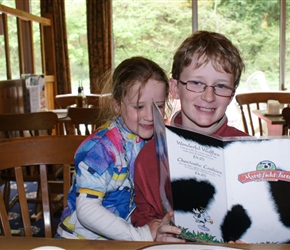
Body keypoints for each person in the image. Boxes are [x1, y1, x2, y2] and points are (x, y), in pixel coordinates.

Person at [131, 31, 249, 232]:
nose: (209, 96)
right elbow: (142, 216)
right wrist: (154, 229)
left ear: (231, 95)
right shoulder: (150, 155)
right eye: (196, 83)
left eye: (221, 86)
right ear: (175, 88)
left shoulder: (247, 150)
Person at [56, 56, 183, 241]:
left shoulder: (154, 140)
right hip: (80, 242)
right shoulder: (100, 149)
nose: (150, 115)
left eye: (160, 106)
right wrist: (141, 234)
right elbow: (87, 210)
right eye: (139, 106)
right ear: (117, 105)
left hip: (122, 240)